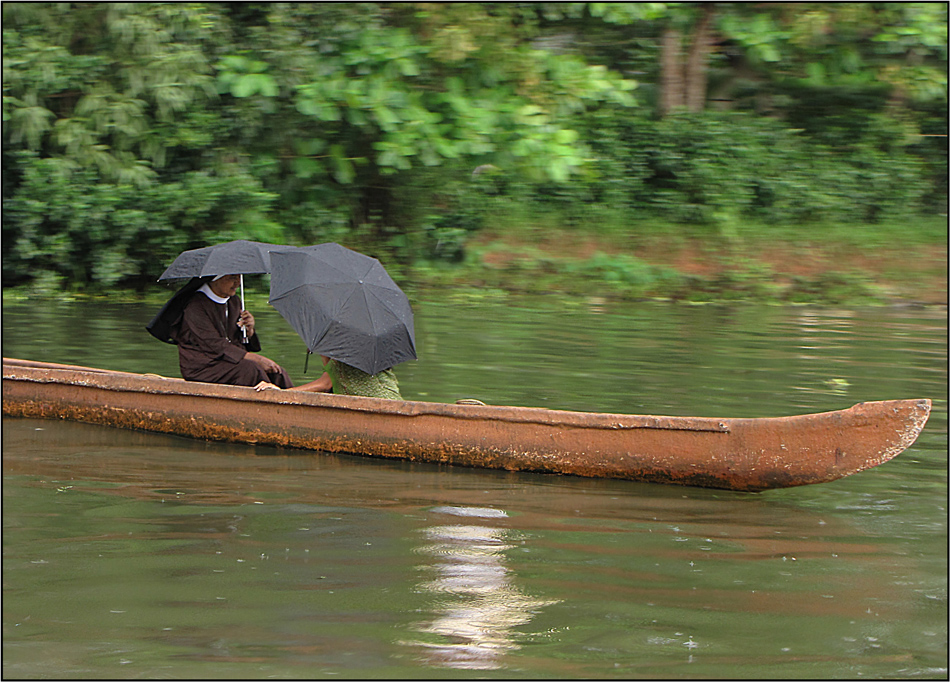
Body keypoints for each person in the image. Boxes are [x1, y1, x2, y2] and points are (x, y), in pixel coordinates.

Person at [171, 274, 330, 390]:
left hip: (229, 360)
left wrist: (250, 329)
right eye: (232, 278)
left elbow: (239, 342)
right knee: (252, 369)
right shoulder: (195, 306)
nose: (237, 283)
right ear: (216, 278)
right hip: (203, 366)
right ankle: (266, 405)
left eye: (239, 278)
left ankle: (292, 401)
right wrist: (254, 358)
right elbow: (212, 343)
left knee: (277, 371)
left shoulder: (234, 301)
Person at [255, 355, 402, 400]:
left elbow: (325, 384)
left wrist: (282, 393)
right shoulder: (368, 351)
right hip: (395, 401)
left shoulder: (343, 356)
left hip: (379, 406)